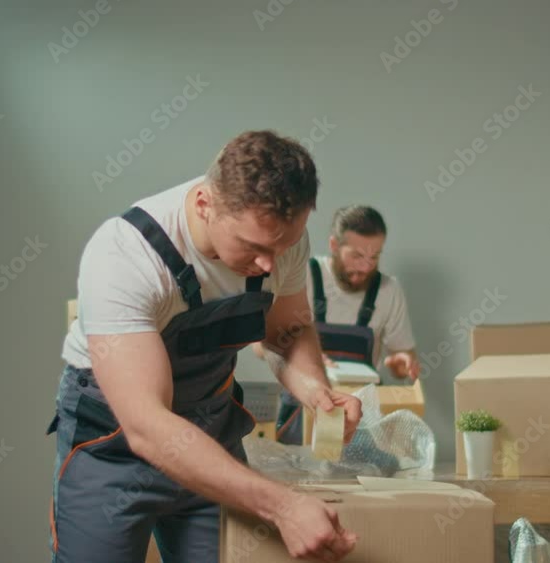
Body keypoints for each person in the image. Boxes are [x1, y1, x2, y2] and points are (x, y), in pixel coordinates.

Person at [47, 130, 362, 563]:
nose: (271, 264)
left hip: (210, 433)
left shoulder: (278, 239)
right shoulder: (124, 255)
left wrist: (314, 391)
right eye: (254, 248)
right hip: (114, 449)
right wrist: (283, 505)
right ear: (203, 205)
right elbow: (148, 427)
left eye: (284, 246)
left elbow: (285, 333)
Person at [267, 205, 420, 445]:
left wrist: (400, 365)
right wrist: (312, 362)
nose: (365, 267)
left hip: (361, 418)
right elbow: (265, 343)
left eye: (375, 257)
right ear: (334, 246)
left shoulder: (389, 291)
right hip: (304, 410)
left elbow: (403, 361)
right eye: (357, 256)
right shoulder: (302, 275)